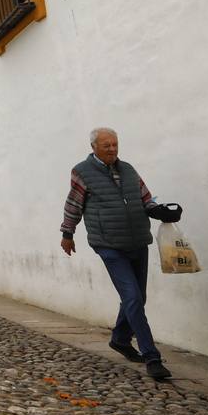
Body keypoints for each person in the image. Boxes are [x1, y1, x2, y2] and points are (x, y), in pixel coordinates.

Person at [60, 127, 182, 381]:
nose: (113, 149)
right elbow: (73, 205)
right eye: (107, 146)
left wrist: (160, 211)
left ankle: (120, 339)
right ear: (94, 147)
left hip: (137, 240)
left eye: (115, 144)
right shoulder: (82, 172)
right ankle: (152, 357)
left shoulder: (128, 169)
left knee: (138, 297)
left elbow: (145, 198)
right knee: (133, 297)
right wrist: (67, 234)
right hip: (108, 243)